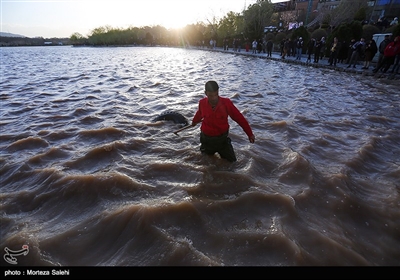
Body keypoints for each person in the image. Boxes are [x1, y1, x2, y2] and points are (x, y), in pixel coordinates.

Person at [191, 81, 255, 162]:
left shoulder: (226, 103)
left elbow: (239, 118)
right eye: (210, 95)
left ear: (218, 92)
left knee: (232, 162)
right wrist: (194, 121)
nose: (214, 98)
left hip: (222, 140)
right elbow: (199, 113)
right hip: (206, 140)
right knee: (206, 163)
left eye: (215, 94)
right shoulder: (202, 103)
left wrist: (250, 134)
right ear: (206, 93)